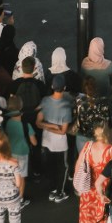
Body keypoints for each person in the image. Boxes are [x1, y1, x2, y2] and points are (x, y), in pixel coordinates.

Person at [75, 123, 112, 223]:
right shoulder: (111, 149)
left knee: (86, 207)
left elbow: (79, 162)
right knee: (101, 209)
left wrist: (78, 181)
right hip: (103, 184)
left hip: (88, 182)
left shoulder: (88, 145)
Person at [37, 74, 74, 202]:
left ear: (52, 86)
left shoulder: (45, 101)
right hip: (60, 143)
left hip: (46, 140)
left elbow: (38, 122)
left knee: (50, 166)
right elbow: (63, 131)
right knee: (62, 167)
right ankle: (60, 192)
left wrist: (46, 126)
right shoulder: (66, 105)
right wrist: (54, 126)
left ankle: (53, 189)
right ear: (64, 88)